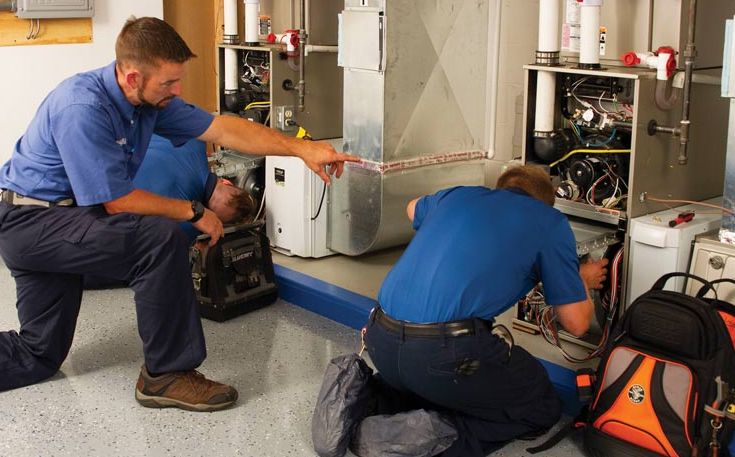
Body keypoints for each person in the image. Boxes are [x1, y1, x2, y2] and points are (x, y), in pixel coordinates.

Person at [0, 17, 358, 412]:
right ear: (133, 77)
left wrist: (302, 149)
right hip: (31, 222)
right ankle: (166, 375)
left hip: (57, 221)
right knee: (159, 237)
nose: (177, 90)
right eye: (169, 83)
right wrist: (192, 211)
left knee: (38, 354)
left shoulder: (149, 104)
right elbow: (116, 202)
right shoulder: (82, 106)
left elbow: (224, 130)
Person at [362, 166, 608, 456]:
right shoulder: (548, 222)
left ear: (500, 188)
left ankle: (369, 403)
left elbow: (411, 207)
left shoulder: (458, 195)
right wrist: (579, 278)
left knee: (439, 380)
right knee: (540, 403)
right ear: (546, 201)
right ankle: (437, 441)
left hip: (380, 340)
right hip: (442, 357)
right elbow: (577, 323)